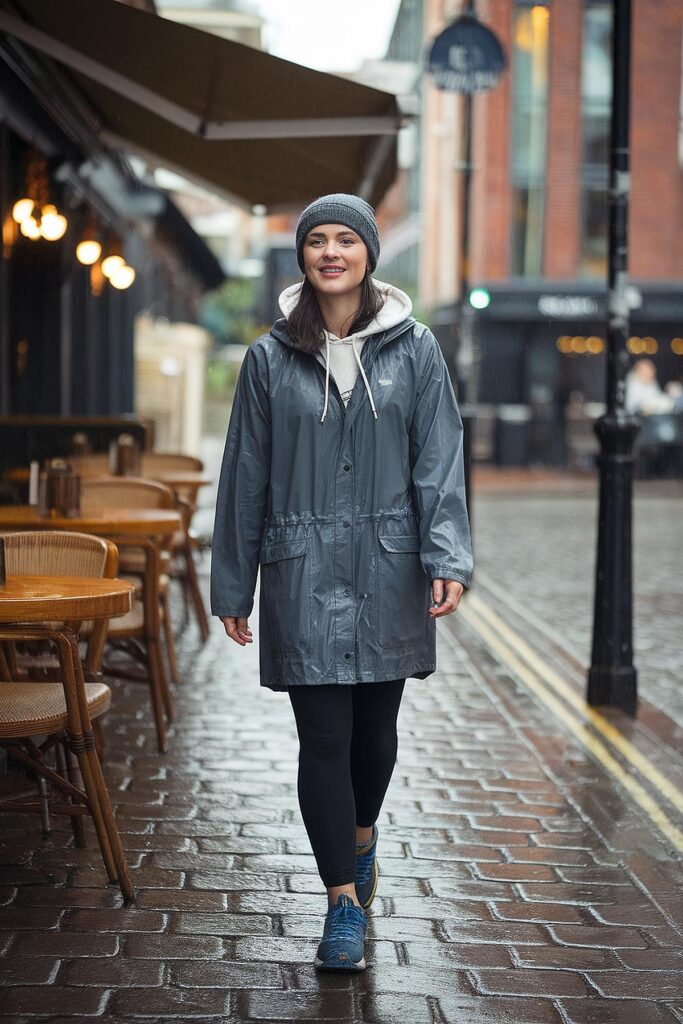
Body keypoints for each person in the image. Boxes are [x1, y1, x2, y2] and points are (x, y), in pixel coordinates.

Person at [211, 194, 473, 972]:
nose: (330, 252)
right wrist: (234, 585)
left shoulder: (415, 349)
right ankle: (341, 906)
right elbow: (244, 477)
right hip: (299, 569)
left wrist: (446, 555)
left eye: (345, 239)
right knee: (321, 738)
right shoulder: (267, 359)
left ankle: (361, 843)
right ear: (301, 257)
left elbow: (439, 457)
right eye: (316, 240)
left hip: (389, 567)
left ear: (368, 253)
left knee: (373, 737)